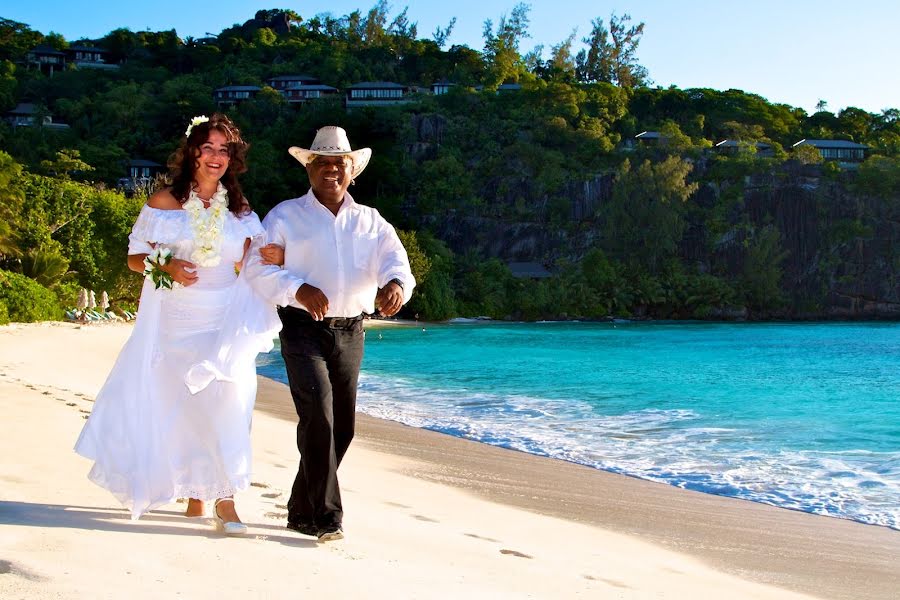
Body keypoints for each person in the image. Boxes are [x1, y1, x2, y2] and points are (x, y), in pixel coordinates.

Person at [75, 113, 281, 535]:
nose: (216, 157)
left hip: (227, 320)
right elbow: (134, 257)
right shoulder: (162, 203)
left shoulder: (241, 210)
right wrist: (165, 264)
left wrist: (268, 257)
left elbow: (255, 258)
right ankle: (196, 492)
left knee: (231, 397)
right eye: (208, 147)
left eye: (225, 150)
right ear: (192, 151)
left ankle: (226, 499)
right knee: (185, 406)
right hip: (178, 320)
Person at [243, 126, 415, 542]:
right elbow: (256, 268)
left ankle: (300, 508)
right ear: (310, 169)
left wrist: (395, 285)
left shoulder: (372, 221)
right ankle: (327, 517)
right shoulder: (284, 216)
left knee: (343, 429)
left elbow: (397, 262)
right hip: (302, 330)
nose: (332, 171)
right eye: (323, 163)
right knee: (318, 416)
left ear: (351, 171)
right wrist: (298, 289)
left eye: (340, 164)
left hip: (351, 331)